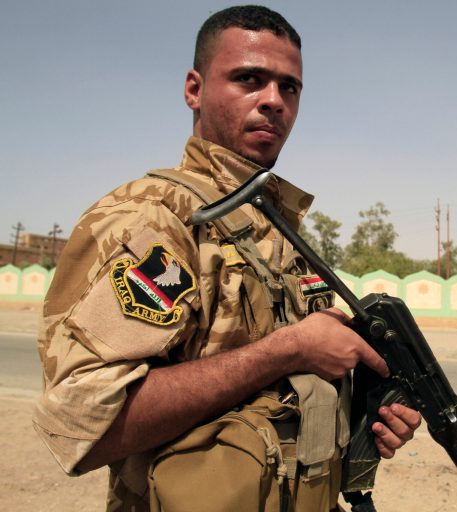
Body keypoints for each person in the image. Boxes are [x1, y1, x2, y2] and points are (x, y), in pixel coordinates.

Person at [33, 6, 421, 511]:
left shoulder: (282, 230)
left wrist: (368, 410)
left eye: (289, 87)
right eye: (249, 79)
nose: (273, 101)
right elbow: (85, 425)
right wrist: (288, 350)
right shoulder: (153, 219)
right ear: (195, 89)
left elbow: (280, 399)